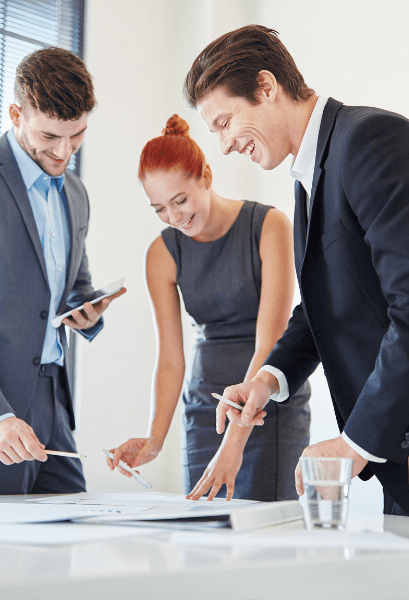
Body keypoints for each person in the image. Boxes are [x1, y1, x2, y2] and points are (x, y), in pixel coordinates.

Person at [183, 25, 409, 521]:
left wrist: (357, 443)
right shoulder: (312, 171)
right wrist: (269, 380)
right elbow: (328, 302)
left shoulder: (374, 142)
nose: (226, 145)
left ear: (266, 87)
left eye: (225, 122)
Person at [0, 48, 125, 496]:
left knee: (66, 541)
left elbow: (75, 288)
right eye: (50, 135)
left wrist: (86, 312)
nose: (63, 151)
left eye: (77, 136)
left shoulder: (75, 193)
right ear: (16, 113)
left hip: (54, 403)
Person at [107, 115, 311, 501]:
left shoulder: (270, 227)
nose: (174, 217)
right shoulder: (163, 253)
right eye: (160, 209)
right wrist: (155, 438)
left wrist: (233, 445)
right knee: (205, 539)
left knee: (267, 538)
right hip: (206, 412)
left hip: (267, 404)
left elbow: (271, 340)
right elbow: (170, 358)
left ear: (206, 175)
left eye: (180, 200)